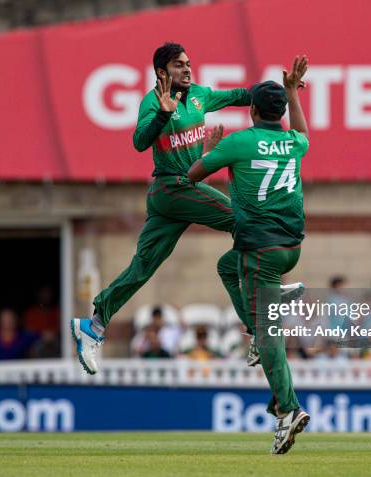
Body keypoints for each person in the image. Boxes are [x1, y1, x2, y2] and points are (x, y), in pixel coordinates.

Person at [71, 42, 253, 375]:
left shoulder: (199, 94)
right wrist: (163, 114)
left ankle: (93, 324)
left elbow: (241, 95)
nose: (187, 69)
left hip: (174, 196)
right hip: (174, 187)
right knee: (246, 222)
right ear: (161, 72)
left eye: (188, 63)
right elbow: (140, 142)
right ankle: (257, 316)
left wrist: (279, 92)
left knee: (142, 268)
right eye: (179, 65)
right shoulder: (152, 102)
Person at [187, 56, 311, 454]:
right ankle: (262, 319)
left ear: (253, 110)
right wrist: (293, 91)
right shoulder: (295, 142)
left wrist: (207, 150)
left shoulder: (238, 141)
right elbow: (303, 129)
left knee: (268, 335)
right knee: (227, 266)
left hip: (260, 251)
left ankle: (288, 410)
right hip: (289, 248)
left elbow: (191, 178)